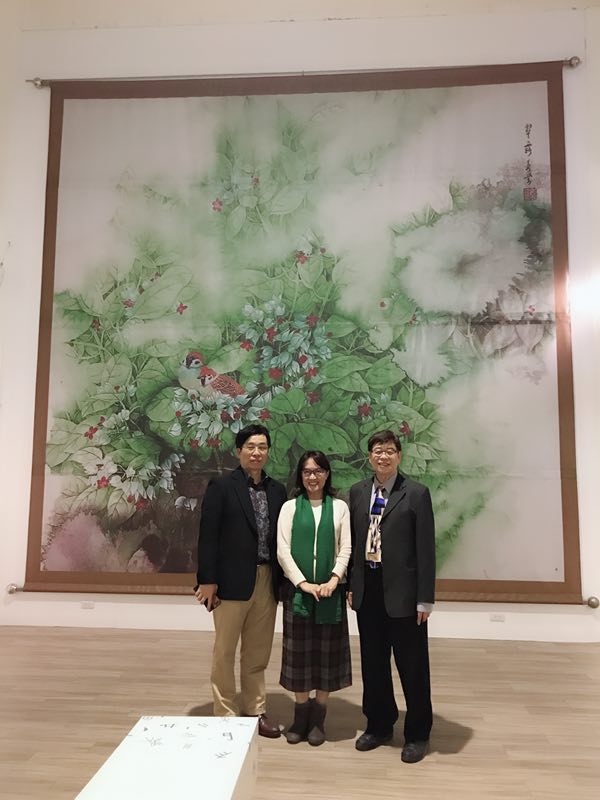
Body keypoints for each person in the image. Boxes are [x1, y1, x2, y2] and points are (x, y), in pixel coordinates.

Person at [195, 424, 288, 738]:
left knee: (257, 652)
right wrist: (207, 580)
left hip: (266, 579)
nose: (256, 452)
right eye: (250, 446)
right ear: (239, 451)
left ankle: (256, 710)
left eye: (262, 447)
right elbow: (208, 536)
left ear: (268, 451)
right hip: (230, 582)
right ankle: (225, 714)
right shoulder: (222, 487)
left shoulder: (277, 491)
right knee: (225, 651)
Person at [349, 429, 435, 763]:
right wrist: (352, 585)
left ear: (399, 456)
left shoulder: (416, 493)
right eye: (377, 450)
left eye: (389, 451)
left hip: (404, 594)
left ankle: (418, 733)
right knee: (373, 664)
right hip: (368, 590)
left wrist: (424, 598)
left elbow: (425, 550)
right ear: (369, 456)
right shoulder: (358, 492)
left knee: (412, 666)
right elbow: (354, 542)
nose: (382, 456)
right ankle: (379, 725)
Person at [277, 451, 352, 746]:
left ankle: (319, 717)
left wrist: (334, 579)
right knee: (299, 657)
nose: (313, 477)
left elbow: (345, 548)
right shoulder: (289, 508)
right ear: (300, 475)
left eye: (318, 471)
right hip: (299, 593)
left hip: (331, 593)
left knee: (326, 657)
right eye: (307, 471)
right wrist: (303, 583)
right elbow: (283, 550)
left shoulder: (340, 508)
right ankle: (300, 716)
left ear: (327, 474)